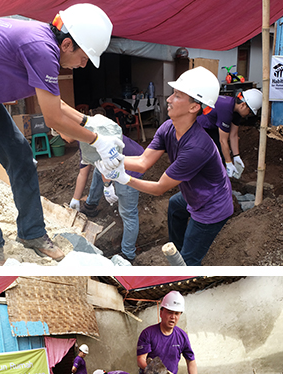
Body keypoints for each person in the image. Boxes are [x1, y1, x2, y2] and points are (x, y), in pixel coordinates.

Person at [0, 4, 124, 266]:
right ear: (67, 45)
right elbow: (53, 118)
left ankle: (32, 233)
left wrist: (91, 123)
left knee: (21, 156)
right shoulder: (41, 49)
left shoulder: (44, 46)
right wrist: (97, 141)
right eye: (84, 57)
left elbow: (54, 104)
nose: (83, 64)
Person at [97, 67, 234, 266]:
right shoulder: (168, 127)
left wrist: (124, 178)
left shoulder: (197, 147)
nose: (169, 99)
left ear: (194, 107)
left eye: (177, 96)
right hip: (196, 192)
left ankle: (184, 263)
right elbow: (143, 162)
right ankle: (175, 249)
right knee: (176, 205)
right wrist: (117, 159)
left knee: (188, 261)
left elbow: (160, 188)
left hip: (211, 206)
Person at [68, 133, 144, 263]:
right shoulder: (83, 139)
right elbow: (84, 171)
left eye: (59, 133)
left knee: (128, 212)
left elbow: (105, 162)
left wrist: (108, 186)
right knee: (98, 171)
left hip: (132, 164)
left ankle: (128, 254)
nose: (61, 138)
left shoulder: (91, 138)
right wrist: (75, 199)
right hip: (116, 161)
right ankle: (91, 205)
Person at [197, 88, 263, 178]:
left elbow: (234, 135)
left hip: (212, 127)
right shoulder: (226, 109)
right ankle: (205, 178)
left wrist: (236, 156)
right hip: (200, 126)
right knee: (210, 154)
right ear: (243, 105)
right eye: (250, 111)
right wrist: (229, 163)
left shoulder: (236, 111)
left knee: (221, 154)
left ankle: (220, 178)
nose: (249, 114)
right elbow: (223, 140)